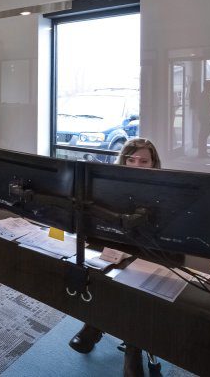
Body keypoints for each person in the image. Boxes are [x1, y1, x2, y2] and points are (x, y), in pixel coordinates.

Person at [68, 138, 162, 377]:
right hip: (114, 243)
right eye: (131, 160)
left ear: (153, 163)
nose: (137, 165)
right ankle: (95, 323)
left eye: (144, 161)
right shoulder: (109, 184)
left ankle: (133, 348)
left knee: (136, 286)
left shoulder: (163, 188)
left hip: (149, 249)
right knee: (97, 272)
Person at [197, 80, 210, 158]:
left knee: (204, 135)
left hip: (206, 118)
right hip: (206, 118)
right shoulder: (204, 95)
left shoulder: (206, 94)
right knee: (203, 136)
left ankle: (203, 152)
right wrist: (206, 118)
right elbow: (203, 109)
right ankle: (202, 153)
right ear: (208, 86)